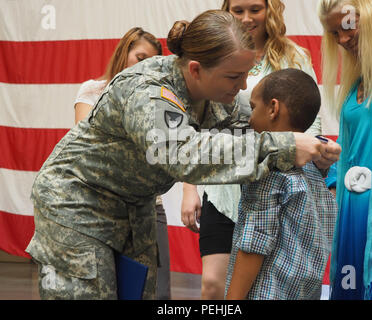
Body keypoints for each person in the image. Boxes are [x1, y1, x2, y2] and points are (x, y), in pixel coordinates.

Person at [26, 9, 339, 300]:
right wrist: (284, 147)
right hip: (78, 207)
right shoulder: (148, 91)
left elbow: (260, 118)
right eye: (234, 77)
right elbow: (184, 153)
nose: (243, 85)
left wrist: (316, 145)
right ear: (196, 69)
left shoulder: (213, 92)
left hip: (133, 209)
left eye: (245, 74)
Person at [181, 0, 324, 300]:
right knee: (212, 286)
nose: (247, 18)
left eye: (255, 9)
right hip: (222, 187)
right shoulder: (215, 54)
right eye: (238, 10)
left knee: (270, 276)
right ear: (227, 11)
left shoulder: (294, 56)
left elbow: (311, 123)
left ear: (270, 10)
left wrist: (314, 156)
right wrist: (189, 189)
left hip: (275, 177)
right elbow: (193, 129)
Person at [73, 27, 170, 300]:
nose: (145, 66)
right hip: (101, 208)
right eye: (139, 57)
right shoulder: (93, 90)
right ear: (123, 53)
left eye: (151, 61)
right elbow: (86, 144)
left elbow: (162, 154)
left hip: (149, 208)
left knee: (155, 294)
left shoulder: (160, 101)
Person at [225, 68, 337, 300]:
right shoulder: (315, 172)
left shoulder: (269, 168)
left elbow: (254, 244)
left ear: (273, 109)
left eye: (254, 108)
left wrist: (231, 301)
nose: (249, 117)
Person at [318, 0, 372, 299]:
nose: (342, 39)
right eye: (334, 33)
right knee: (352, 286)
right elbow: (351, 148)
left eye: (348, 26)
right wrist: (333, 173)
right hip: (353, 212)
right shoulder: (358, 84)